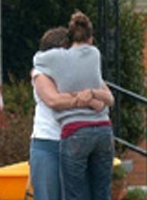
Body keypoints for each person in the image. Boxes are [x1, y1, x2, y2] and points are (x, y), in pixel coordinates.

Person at [30, 25, 114, 200]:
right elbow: (53, 100)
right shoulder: (40, 73)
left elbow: (104, 100)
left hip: (76, 139)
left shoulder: (81, 69)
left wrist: (89, 96)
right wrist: (82, 99)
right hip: (49, 142)